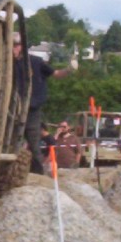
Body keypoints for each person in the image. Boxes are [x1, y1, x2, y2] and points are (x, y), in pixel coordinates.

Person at [12, 33, 76, 174]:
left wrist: (69, 70)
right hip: (11, 108)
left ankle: (38, 173)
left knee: (34, 143)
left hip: (32, 109)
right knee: (10, 142)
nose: (12, 49)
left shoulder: (35, 62)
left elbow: (56, 73)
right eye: (10, 45)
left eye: (15, 45)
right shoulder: (7, 63)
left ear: (21, 47)